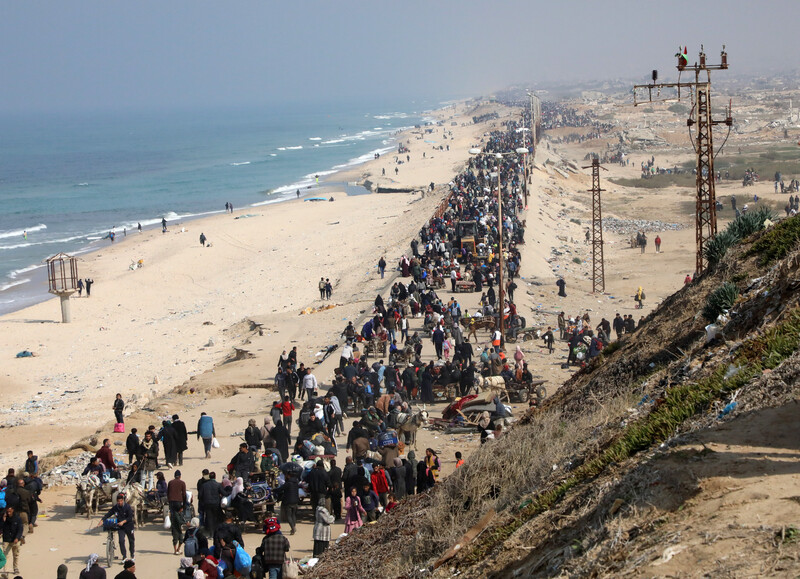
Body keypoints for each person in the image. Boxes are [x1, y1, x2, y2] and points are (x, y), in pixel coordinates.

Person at [102, 493, 135, 561]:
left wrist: (123, 522)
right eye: (118, 501)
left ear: (123, 500)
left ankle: (132, 555)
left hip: (129, 526)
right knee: (121, 541)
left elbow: (130, 517)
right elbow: (109, 513)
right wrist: (102, 520)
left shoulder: (127, 507)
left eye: (121, 501)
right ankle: (124, 556)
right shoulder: (116, 507)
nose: (119, 502)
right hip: (120, 527)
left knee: (131, 541)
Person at [168, 471, 188, 554]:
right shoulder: (182, 483)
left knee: (174, 521)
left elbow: (168, 493)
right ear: (180, 476)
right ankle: (178, 548)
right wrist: (183, 507)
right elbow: (184, 495)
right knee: (178, 520)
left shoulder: (170, 482)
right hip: (178, 503)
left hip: (171, 503)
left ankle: (175, 548)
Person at [2, 505, 22, 575]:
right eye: (7, 512)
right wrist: (3, 520)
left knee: (16, 555)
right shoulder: (5, 519)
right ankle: (5, 571)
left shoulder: (17, 519)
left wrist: (17, 537)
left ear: (13, 510)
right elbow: (1, 528)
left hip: (15, 540)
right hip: (6, 540)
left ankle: (15, 568)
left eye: (10, 511)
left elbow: (20, 529)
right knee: (5, 556)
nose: (9, 513)